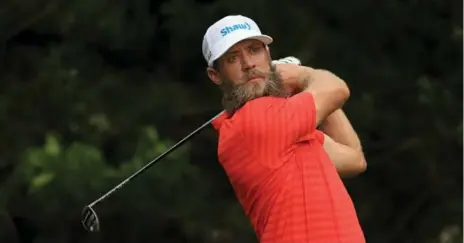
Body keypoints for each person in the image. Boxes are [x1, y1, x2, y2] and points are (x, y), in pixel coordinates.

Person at [202, 14, 367, 243]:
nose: (248, 63)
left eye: (254, 50)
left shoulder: (286, 127)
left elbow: (354, 158)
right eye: (232, 58)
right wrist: (304, 75)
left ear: (268, 56)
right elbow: (337, 89)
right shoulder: (254, 121)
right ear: (215, 75)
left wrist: (305, 91)